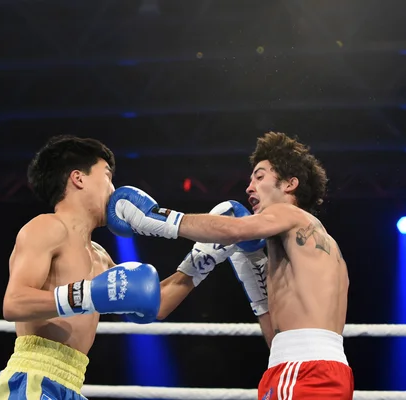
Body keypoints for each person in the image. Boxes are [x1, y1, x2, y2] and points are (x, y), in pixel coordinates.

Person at [0, 134, 260, 400]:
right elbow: (14, 303)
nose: (113, 189)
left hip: (70, 385)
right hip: (32, 379)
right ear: (78, 178)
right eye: (107, 176)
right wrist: (87, 294)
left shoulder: (99, 255)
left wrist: (202, 259)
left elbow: (157, 304)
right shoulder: (47, 227)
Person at [107, 131, 354, 399]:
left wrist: (155, 219)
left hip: (301, 371)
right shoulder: (317, 250)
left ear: (289, 185)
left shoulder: (290, 213)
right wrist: (256, 284)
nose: (249, 187)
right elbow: (281, 340)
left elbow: (231, 230)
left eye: (260, 177)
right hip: (319, 368)